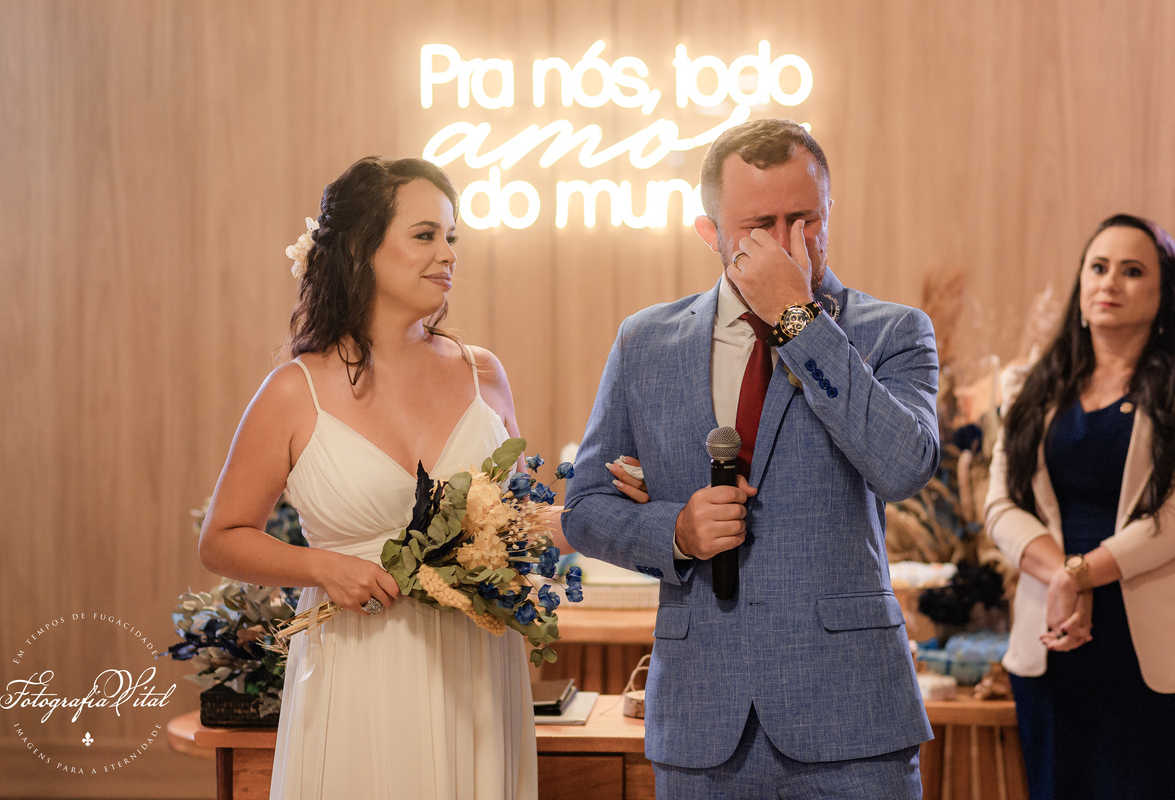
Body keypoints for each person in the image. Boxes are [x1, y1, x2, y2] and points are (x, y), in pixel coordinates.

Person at [563, 119, 940, 799]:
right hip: (704, 725)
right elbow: (586, 507)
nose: (792, 243)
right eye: (761, 225)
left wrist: (798, 320)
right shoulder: (645, 342)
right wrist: (674, 531)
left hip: (852, 725)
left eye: (807, 218)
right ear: (711, 233)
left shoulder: (893, 332)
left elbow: (904, 464)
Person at [198, 156, 544, 799]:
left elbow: (520, 522)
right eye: (424, 235)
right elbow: (222, 537)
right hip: (359, 667)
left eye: (452, 237)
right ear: (361, 250)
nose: (446, 253)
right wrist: (324, 567)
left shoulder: (483, 374)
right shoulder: (292, 392)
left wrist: (602, 510)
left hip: (475, 667)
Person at [984, 214, 1175, 800]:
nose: (1109, 283)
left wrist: (1081, 573)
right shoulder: (1029, 386)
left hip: (1149, 644)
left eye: (1132, 271)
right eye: (1098, 267)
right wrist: (1063, 578)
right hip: (1053, 635)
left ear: (1164, 291)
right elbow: (1001, 505)